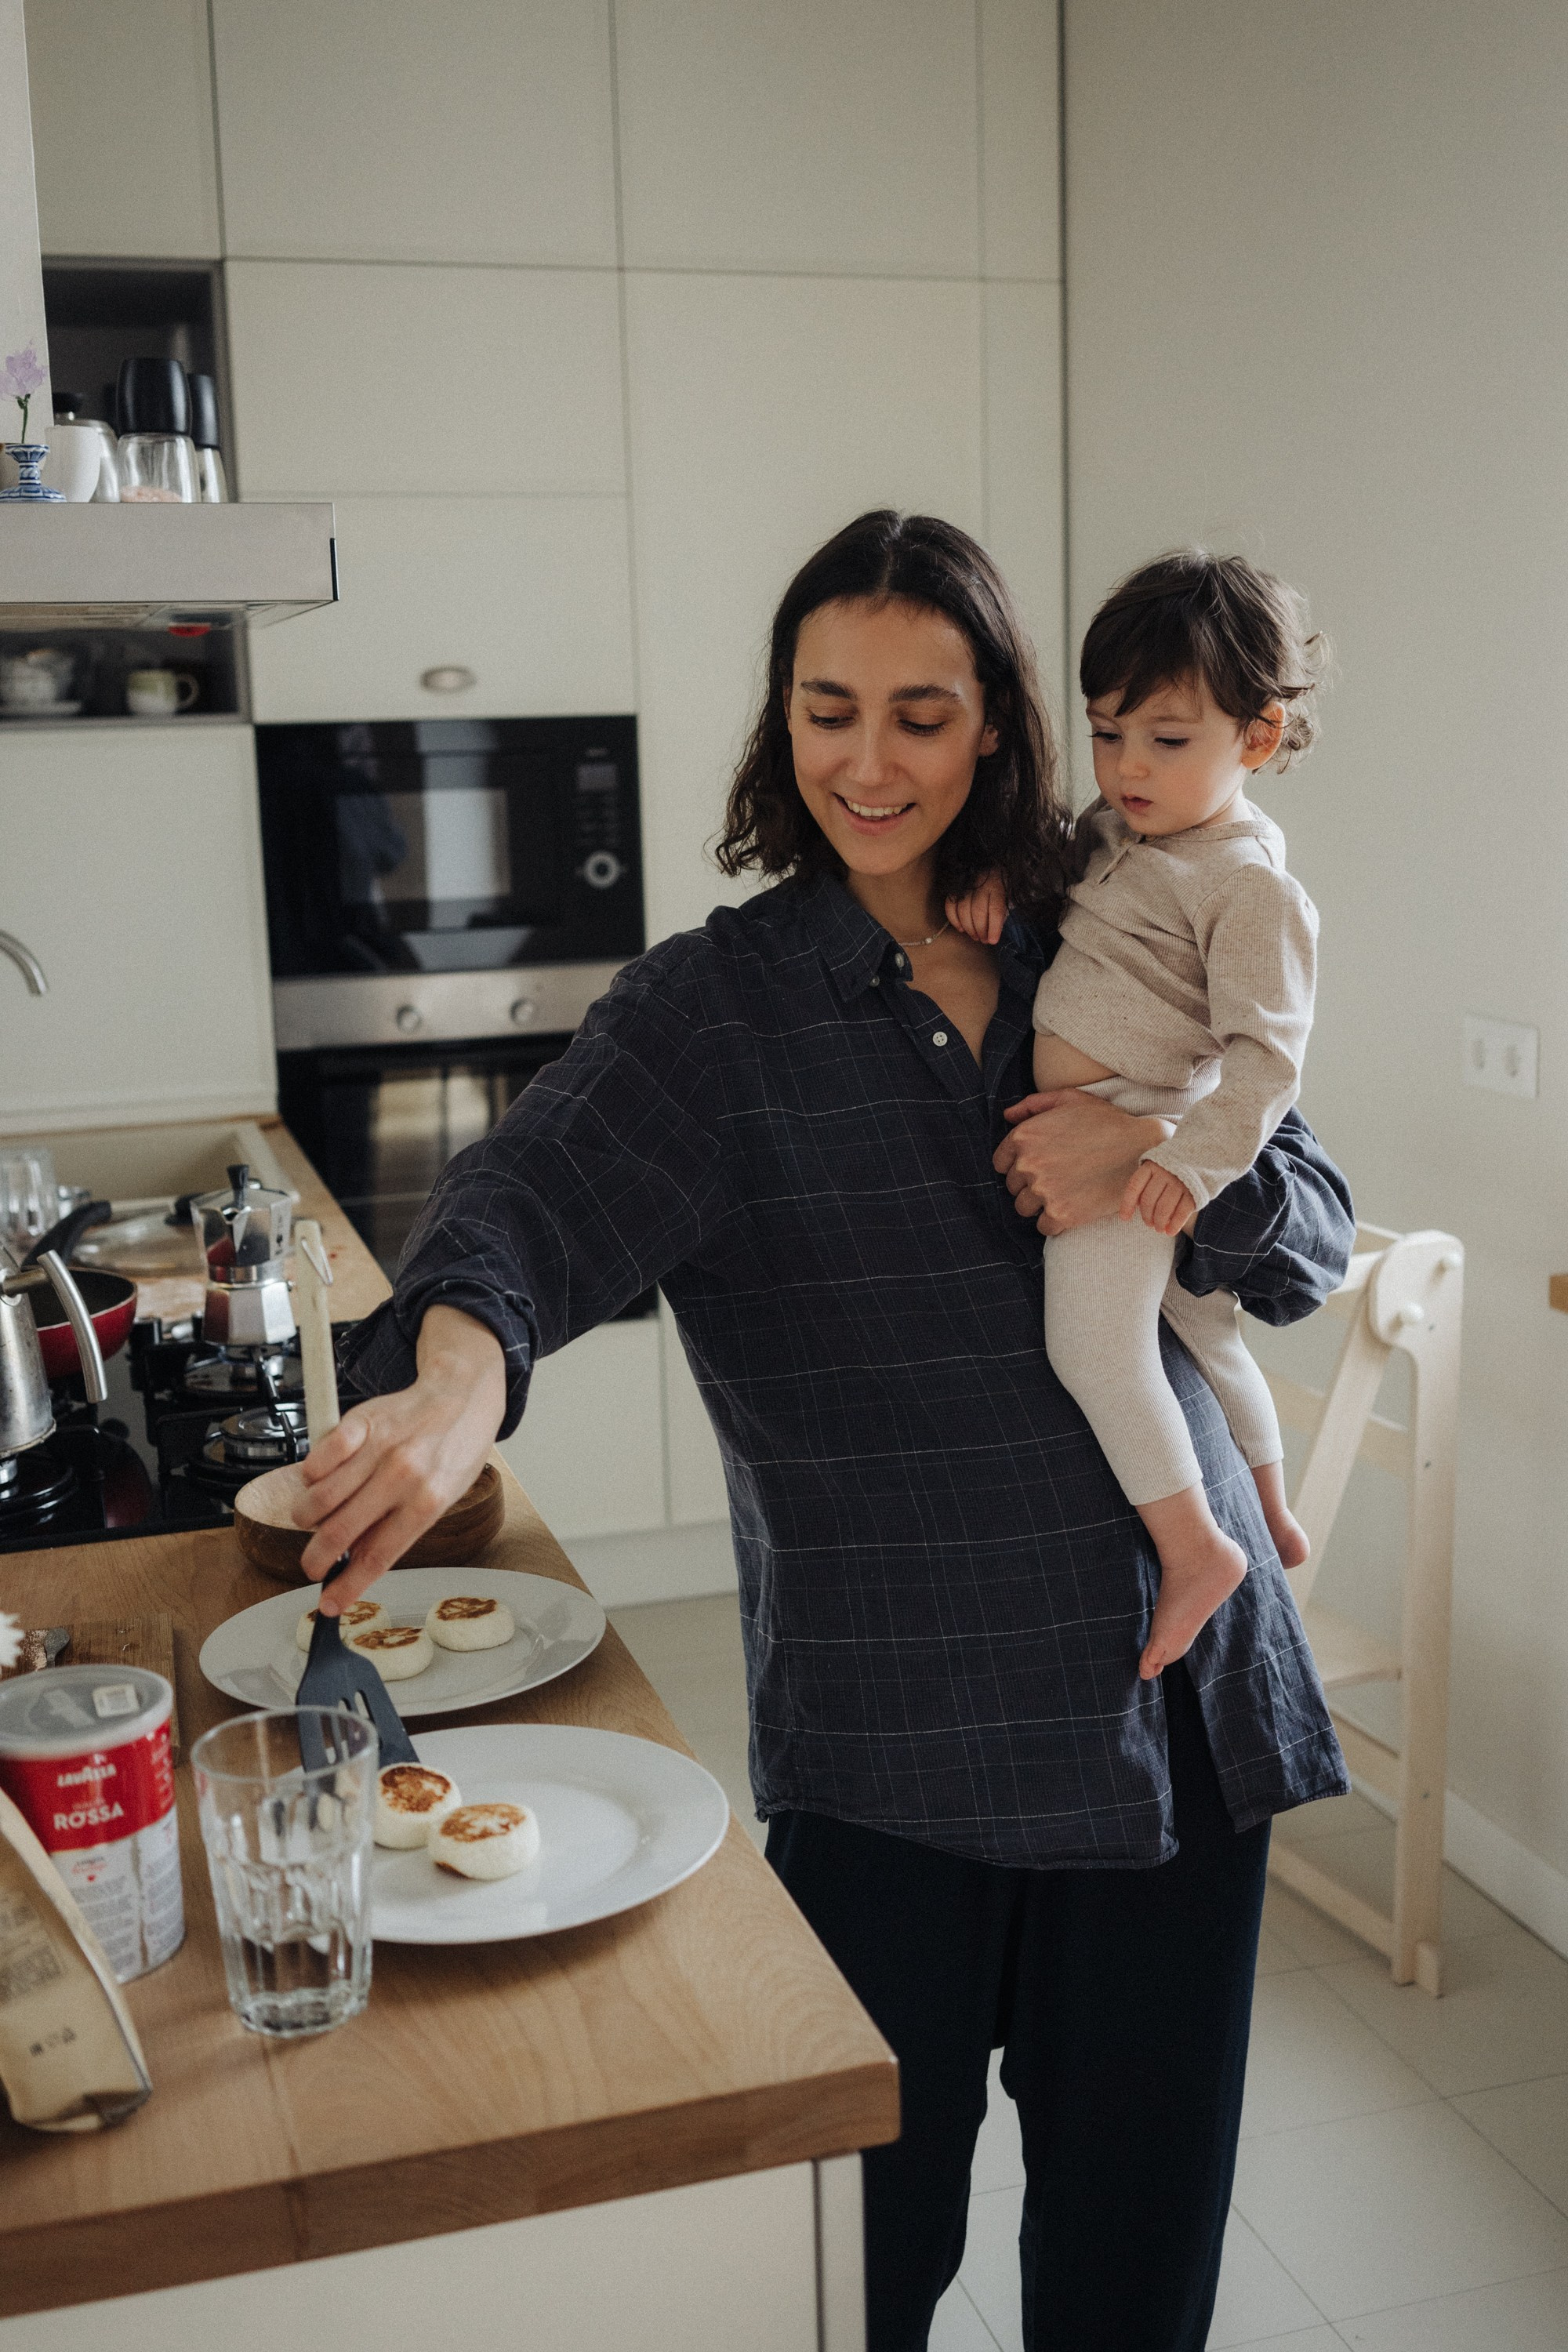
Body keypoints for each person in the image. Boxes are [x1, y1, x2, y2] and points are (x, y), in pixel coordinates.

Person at [296, 510, 1352, 2352]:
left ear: (998, 727)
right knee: (846, 2284)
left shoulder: (1101, 913)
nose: (870, 763)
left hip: (1175, 1721)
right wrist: (457, 1381)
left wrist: (1156, 1162)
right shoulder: (719, 1011)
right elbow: (525, 1208)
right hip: (897, 1753)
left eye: (924, 716)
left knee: (1131, 2292)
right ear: (778, 723)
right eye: (827, 709)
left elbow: (1314, 1227)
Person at [948, 550, 1324, 1683]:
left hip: (1138, 1134)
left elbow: (1269, 1062)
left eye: (1165, 740)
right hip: (1116, 1120)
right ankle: (1269, 1511)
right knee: (1205, 1339)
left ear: (1255, 740)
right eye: (1106, 733)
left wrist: (1189, 1165)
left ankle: (1196, 1548)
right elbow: (1066, 880)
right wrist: (1001, 890)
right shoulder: (1123, 832)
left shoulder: (1250, 887)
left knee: (1093, 1345)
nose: (1124, 767)